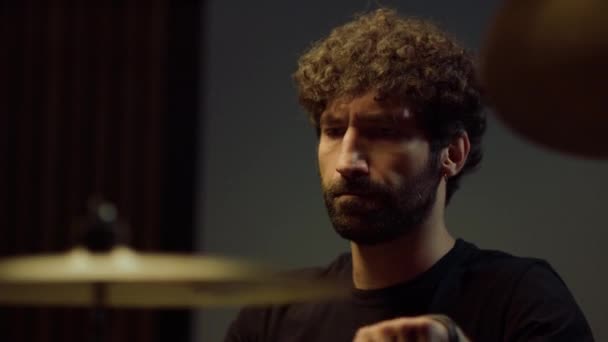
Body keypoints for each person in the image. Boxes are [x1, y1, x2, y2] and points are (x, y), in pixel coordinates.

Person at [224, 8, 594, 342]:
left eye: (383, 132)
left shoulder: (522, 300)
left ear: (452, 153)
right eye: (333, 131)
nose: (348, 161)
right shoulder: (271, 317)